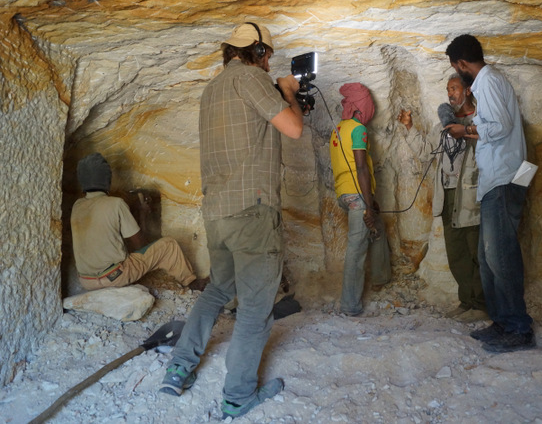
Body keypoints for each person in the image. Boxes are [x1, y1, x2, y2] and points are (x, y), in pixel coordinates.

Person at [159, 22, 304, 419]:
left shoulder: (212, 90)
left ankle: (179, 368)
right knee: (257, 306)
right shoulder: (253, 79)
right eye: (268, 55)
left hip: (217, 213)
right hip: (252, 212)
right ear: (257, 52)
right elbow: (292, 128)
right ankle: (238, 395)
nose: (269, 61)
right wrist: (288, 92)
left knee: (218, 289)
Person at [445, 34, 535, 353]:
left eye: (456, 68)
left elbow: (500, 126)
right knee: (488, 257)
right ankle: (501, 322)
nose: (459, 74)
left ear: (462, 63)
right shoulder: (488, 82)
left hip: (505, 178)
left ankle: (518, 328)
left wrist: (465, 130)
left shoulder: (487, 80)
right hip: (501, 178)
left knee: (501, 255)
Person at [398, 74, 486, 321]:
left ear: (467, 91)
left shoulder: (478, 121)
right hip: (447, 194)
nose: (450, 94)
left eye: (455, 88)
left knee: (475, 250)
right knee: (456, 251)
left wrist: (468, 132)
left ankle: (481, 305)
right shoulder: (442, 128)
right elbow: (428, 153)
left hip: (471, 195)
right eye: (448, 89)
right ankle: (467, 301)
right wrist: (409, 128)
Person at [71, 152, 200, 291]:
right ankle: (191, 282)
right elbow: (140, 245)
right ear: (107, 179)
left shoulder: (77, 206)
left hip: (87, 281)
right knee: (169, 245)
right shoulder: (116, 203)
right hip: (115, 277)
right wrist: (143, 213)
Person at [329, 82, 391, 316]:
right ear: (359, 106)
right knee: (356, 249)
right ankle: (350, 305)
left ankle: (380, 279)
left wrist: (371, 202)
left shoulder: (337, 130)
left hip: (343, 194)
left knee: (378, 229)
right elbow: (361, 168)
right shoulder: (358, 129)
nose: (370, 108)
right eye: (368, 104)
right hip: (357, 194)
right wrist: (367, 206)